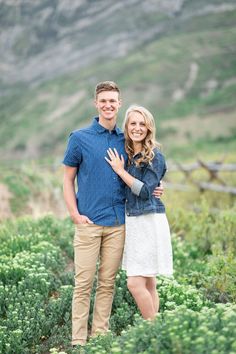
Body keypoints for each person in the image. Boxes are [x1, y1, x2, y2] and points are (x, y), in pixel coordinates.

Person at [62, 81, 163, 346]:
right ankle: (78, 341)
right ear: (96, 103)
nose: (108, 105)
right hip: (88, 222)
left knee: (107, 284)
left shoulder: (126, 139)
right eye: (103, 100)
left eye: (113, 101)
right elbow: (66, 180)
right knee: (83, 284)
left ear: (119, 104)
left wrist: (155, 187)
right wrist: (74, 213)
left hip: (119, 223)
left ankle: (99, 337)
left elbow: (143, 169)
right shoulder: (79, 138)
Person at [105, 105, 173, 320]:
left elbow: (144, 192)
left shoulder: (155, 156)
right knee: (148, 281)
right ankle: (157, 330)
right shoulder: (127, 152)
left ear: (149, 128)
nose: (137, 128)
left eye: (142, 124)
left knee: (135, 283)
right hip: (133, 220)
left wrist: (120, 171)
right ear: (126, 126)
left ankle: (152, 329)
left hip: (148, 221)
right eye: (133, 123)